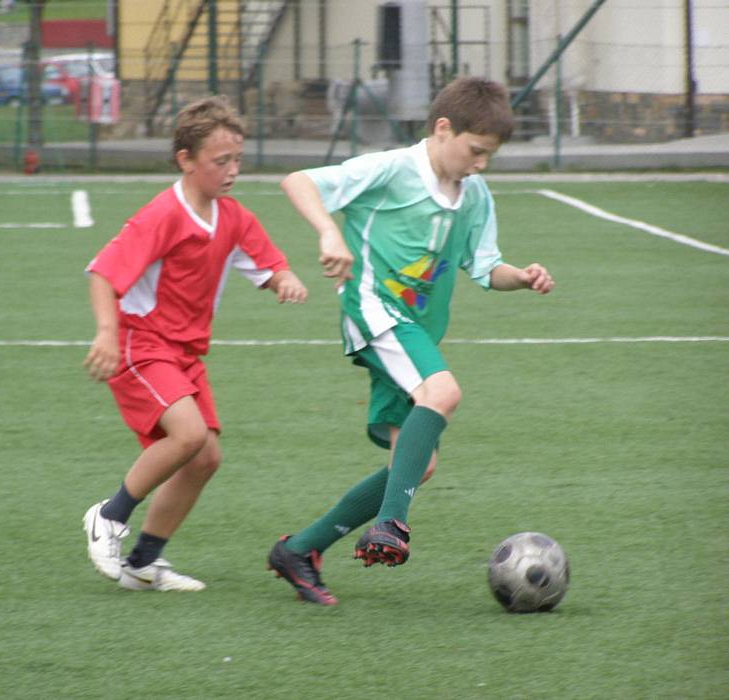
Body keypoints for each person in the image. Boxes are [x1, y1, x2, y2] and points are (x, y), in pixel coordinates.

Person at [268, 77, 555, 605]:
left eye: (489, 156)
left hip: (415, 332)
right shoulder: (391, 169)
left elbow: (485, 267)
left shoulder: (475, 194)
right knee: (443, 393)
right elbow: (298, 182)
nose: (480, 164)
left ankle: (300, 549)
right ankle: (391, 524)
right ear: (443, 128)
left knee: (418, 463)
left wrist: (521, 276)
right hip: (374, 309)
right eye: (475, 151)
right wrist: (329, 233)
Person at [83, 96, 308, 592]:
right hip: (142, 343)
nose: (233, 171)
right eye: (220, 161)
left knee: (205, 458)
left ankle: (143, 563)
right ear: (186, 160)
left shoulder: (233, 217)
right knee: (187, 435)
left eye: (238, 160)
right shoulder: (163, 214)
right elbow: (103, 273)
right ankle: (108, 516)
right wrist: (106, 333)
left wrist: (285, 279)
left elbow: (268, 263)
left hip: (184, 355)